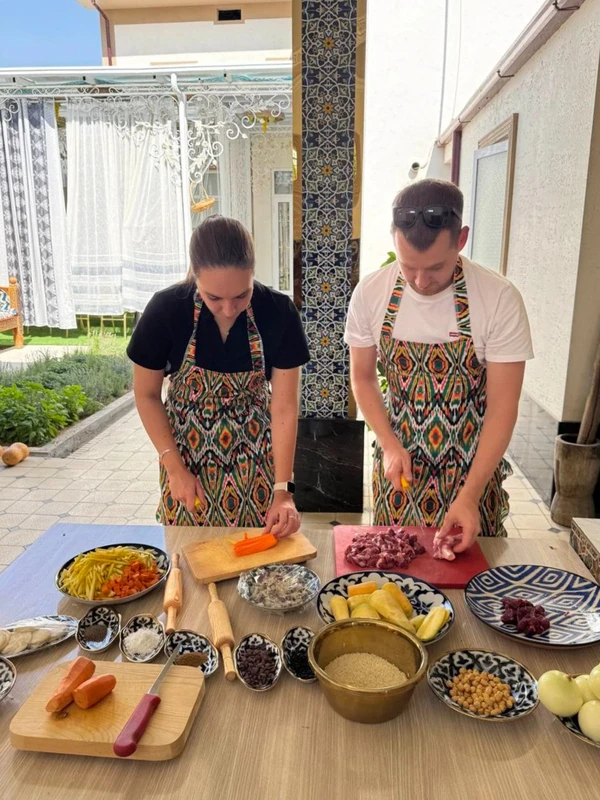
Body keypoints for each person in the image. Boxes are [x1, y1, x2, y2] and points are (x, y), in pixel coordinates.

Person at [345, 179, 533, 556]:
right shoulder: (371, 293)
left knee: (469, 577)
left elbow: (503, 408)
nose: (420, 281)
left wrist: (471, 494)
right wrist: (389, 444)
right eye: (408, 266)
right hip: (401, 467)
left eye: (435, 267)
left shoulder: (499, 299)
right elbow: (362, 378)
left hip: (474, 467)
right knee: (394, 567)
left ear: (461, 239)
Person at [127, 215, 310, 537]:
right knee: (187, 554)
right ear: (195, 276)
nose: (228, 309)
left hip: (256, 460)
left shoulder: (278, 312)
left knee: (259, 553)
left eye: (242, 295)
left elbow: (283, 407)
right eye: (214, 298)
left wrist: (283, 490)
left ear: (253, 273)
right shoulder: (166, 310)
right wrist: (174, 468)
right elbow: (146, 395)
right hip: (185, 460)